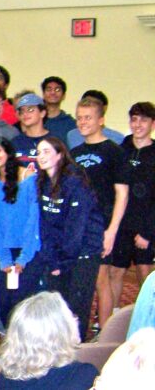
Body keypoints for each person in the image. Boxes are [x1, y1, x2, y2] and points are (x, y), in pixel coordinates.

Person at [69, 96, 130, 333]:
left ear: (101, 120)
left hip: (102, 226)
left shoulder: (114, 151)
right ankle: (79, 332)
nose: (83, 122)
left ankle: (104, 335)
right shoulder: (74, 153)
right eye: (80, 118)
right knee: (80, 282)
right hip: (78, 227)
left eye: (88, 118)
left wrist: (111, 231)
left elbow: (122, 194)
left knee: (101, 279)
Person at [35, 136, 104, 339]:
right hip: (60, 255)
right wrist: (53, 260)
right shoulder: (43, 183)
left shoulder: (75, 182)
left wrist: (62, 264)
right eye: (39, 152)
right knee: (58, 308)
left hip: (83, 254)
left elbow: (76, 230)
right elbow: (45, 226)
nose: (41, 156)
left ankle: (77, 351)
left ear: (59, 155)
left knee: (76, 310)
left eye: (47, 151)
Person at [0, 137, 42, 325]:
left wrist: (23, 258)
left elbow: (33, 223)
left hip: (29, 251)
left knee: (27, 308)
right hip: (6, 252)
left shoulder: (29, 179)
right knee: (7, 308)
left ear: (8, 152)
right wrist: (4, 258)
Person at [0, 292, 98, 389]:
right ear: (59, 332)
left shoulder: (3, 379)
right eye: (71, 317)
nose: (76, 320)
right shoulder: (82, 376)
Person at [116, 102, 155, 286]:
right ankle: (112, 314)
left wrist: (147, 233)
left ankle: (147, 314)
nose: (138, 124)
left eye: (144, 120)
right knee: (114, 273)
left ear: (152, 124)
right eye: (134, 119)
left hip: (146, 226)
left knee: (145, 275)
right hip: (121, 224)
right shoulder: (121, 151)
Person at [12, 93, 50, 171]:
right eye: (22, 111)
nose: (25, 114)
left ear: (42, 113)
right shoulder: (15, 142)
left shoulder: (54, 141)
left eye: (30, 110)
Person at [41, 76, 76, 145]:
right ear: (43, 94)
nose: (53, 93)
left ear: (64, 96)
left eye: (57, 90)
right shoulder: (37, 121)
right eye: (49, 89)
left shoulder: (71, 124)